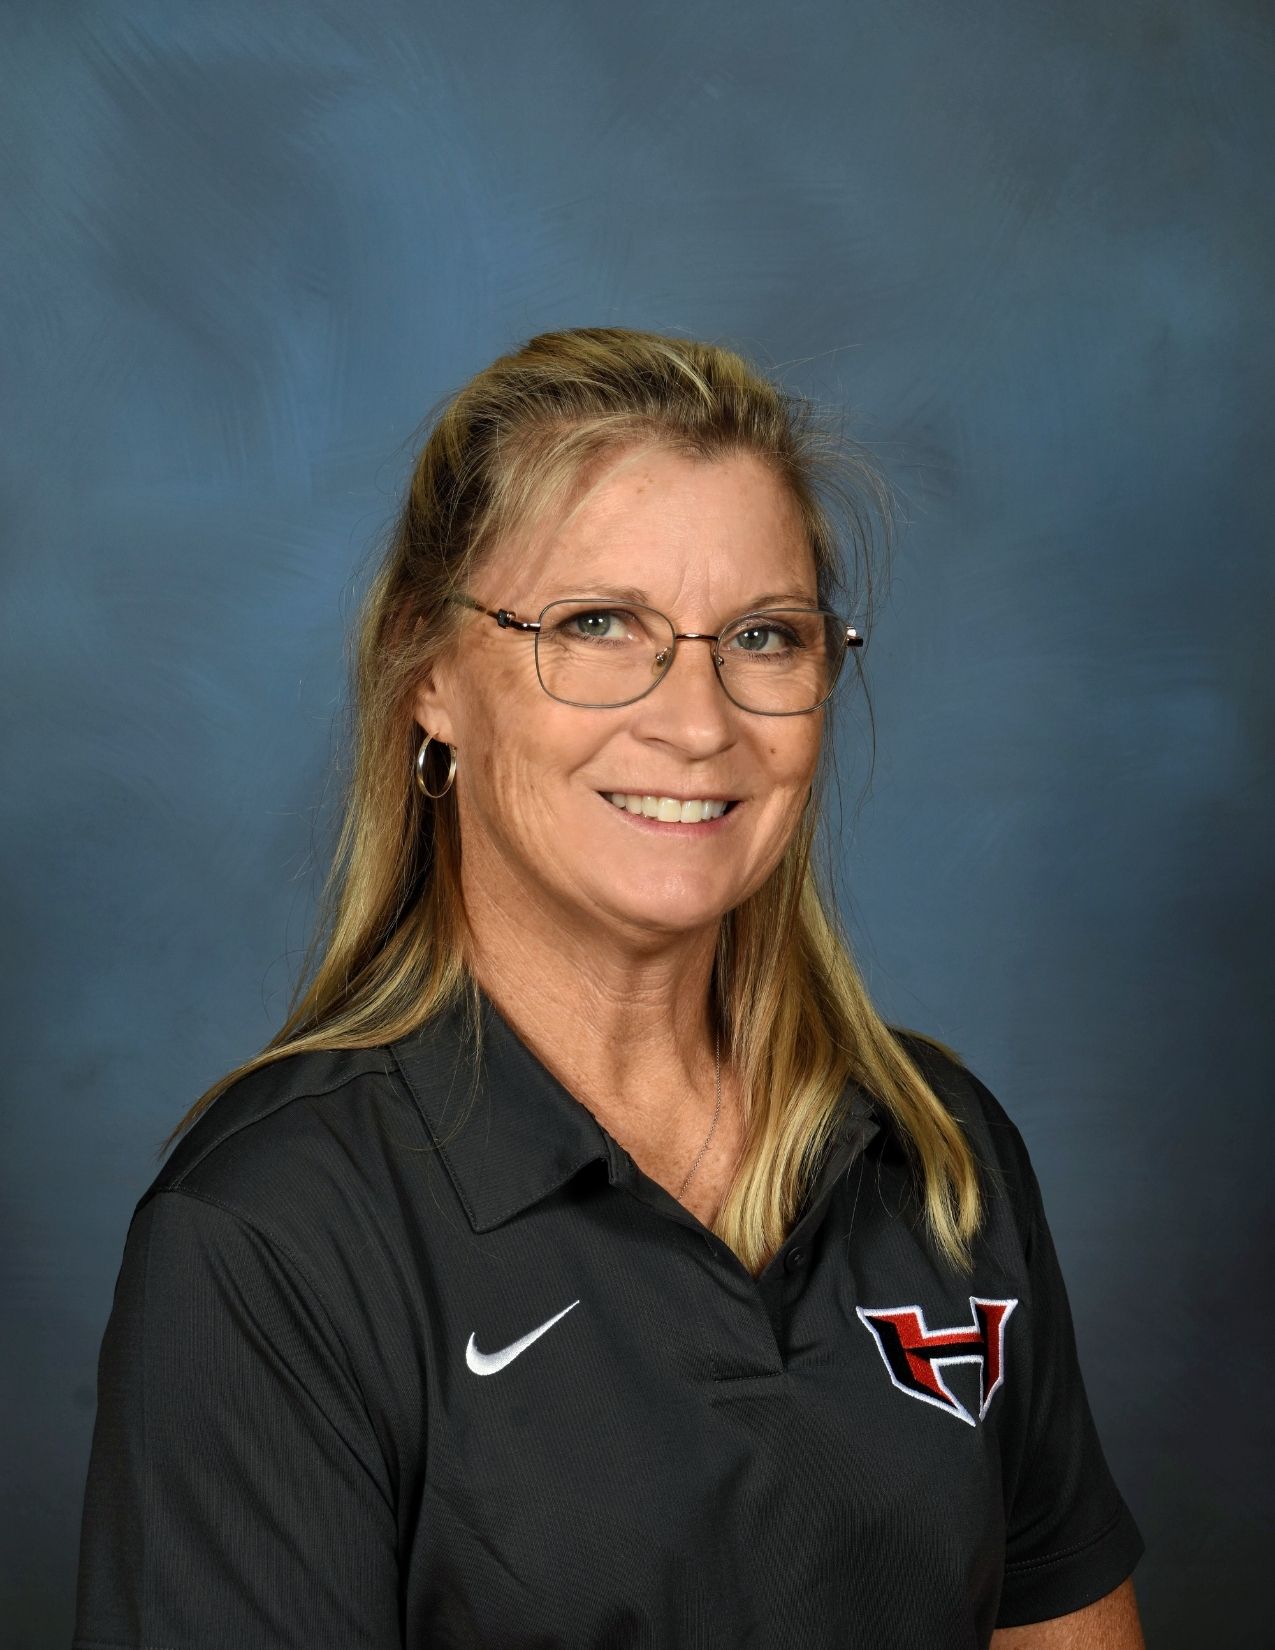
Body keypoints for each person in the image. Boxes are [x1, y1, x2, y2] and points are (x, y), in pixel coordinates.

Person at [72, 326, 1146, 1649]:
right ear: (428, 674)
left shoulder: (942, 1153)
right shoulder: (272, 1235)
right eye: (596, 625)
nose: (698, 723)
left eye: (763, 635)